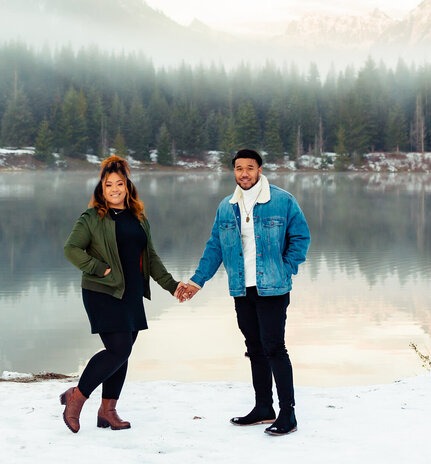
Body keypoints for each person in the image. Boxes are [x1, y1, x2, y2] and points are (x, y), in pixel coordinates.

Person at [176, 148, 311, 436]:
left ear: (260, 170)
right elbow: (215, 247)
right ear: (233, 171)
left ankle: (288, 414)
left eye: (250, 168)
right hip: (241, 288)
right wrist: (196, 281)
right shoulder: (226, 206)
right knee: (254, 348)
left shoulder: (283, 201)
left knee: (275, 347)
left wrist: (286, 268)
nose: (244, 173)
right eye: (239, 168)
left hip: (273, 288)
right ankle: (264, 408)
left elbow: (301, 237)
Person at [60, 155, 182, 433]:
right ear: (100, 190)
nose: (114, 189)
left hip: (131, 294)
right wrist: (97, 268)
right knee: (119, 349)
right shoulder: (91, 218)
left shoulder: (138, 217)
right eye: (108, 185)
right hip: (102, 292)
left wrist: (172, 285)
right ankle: (76, 398)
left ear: (128, 186)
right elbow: (71, 249)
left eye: (119, 184)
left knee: (123, 354)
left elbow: (150, 257)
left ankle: (108, 412)